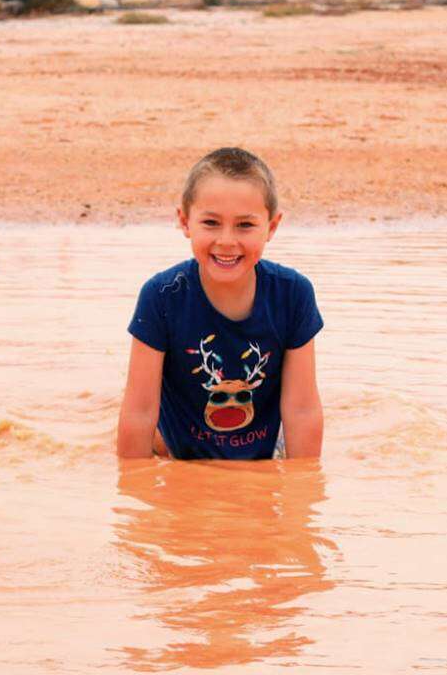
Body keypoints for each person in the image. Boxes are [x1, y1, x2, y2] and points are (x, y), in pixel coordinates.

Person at [116, 147, 324, 461]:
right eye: (211, 223)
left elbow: (302, 411)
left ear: (272, 227)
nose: (226, 240)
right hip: (179, 456)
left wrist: (301, 498)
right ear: (185, 222)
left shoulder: (293, 295)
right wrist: (133, 496)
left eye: (245, 225)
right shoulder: (161, 296)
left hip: (264, 456)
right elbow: (139, 412)